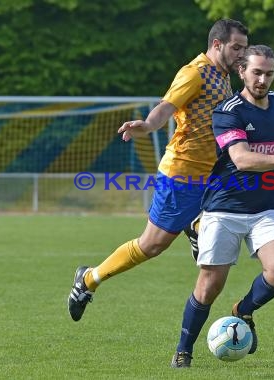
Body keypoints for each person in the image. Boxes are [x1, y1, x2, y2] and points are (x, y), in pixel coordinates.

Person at [170, 45, 274, 368]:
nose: (263, 79)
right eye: (257, 73)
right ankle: (184, 349)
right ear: (242, 72)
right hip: (223, 207)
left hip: (267, 206)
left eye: (269, 73)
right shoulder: (228, 111)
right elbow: (241, 159)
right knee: (209, 287)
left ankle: (243, 310)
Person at [67, 19, 249, 321]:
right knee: (151, 246)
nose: (241, 53)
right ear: (217, 44)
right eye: (236, 47)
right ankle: (87, 280)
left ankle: (198, 225)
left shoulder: (223, 74)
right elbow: (166, 106)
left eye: (244, 47)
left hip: (211, 174)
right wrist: (149, 125)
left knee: (229, 221)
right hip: (181, 174)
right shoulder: (194, 73)